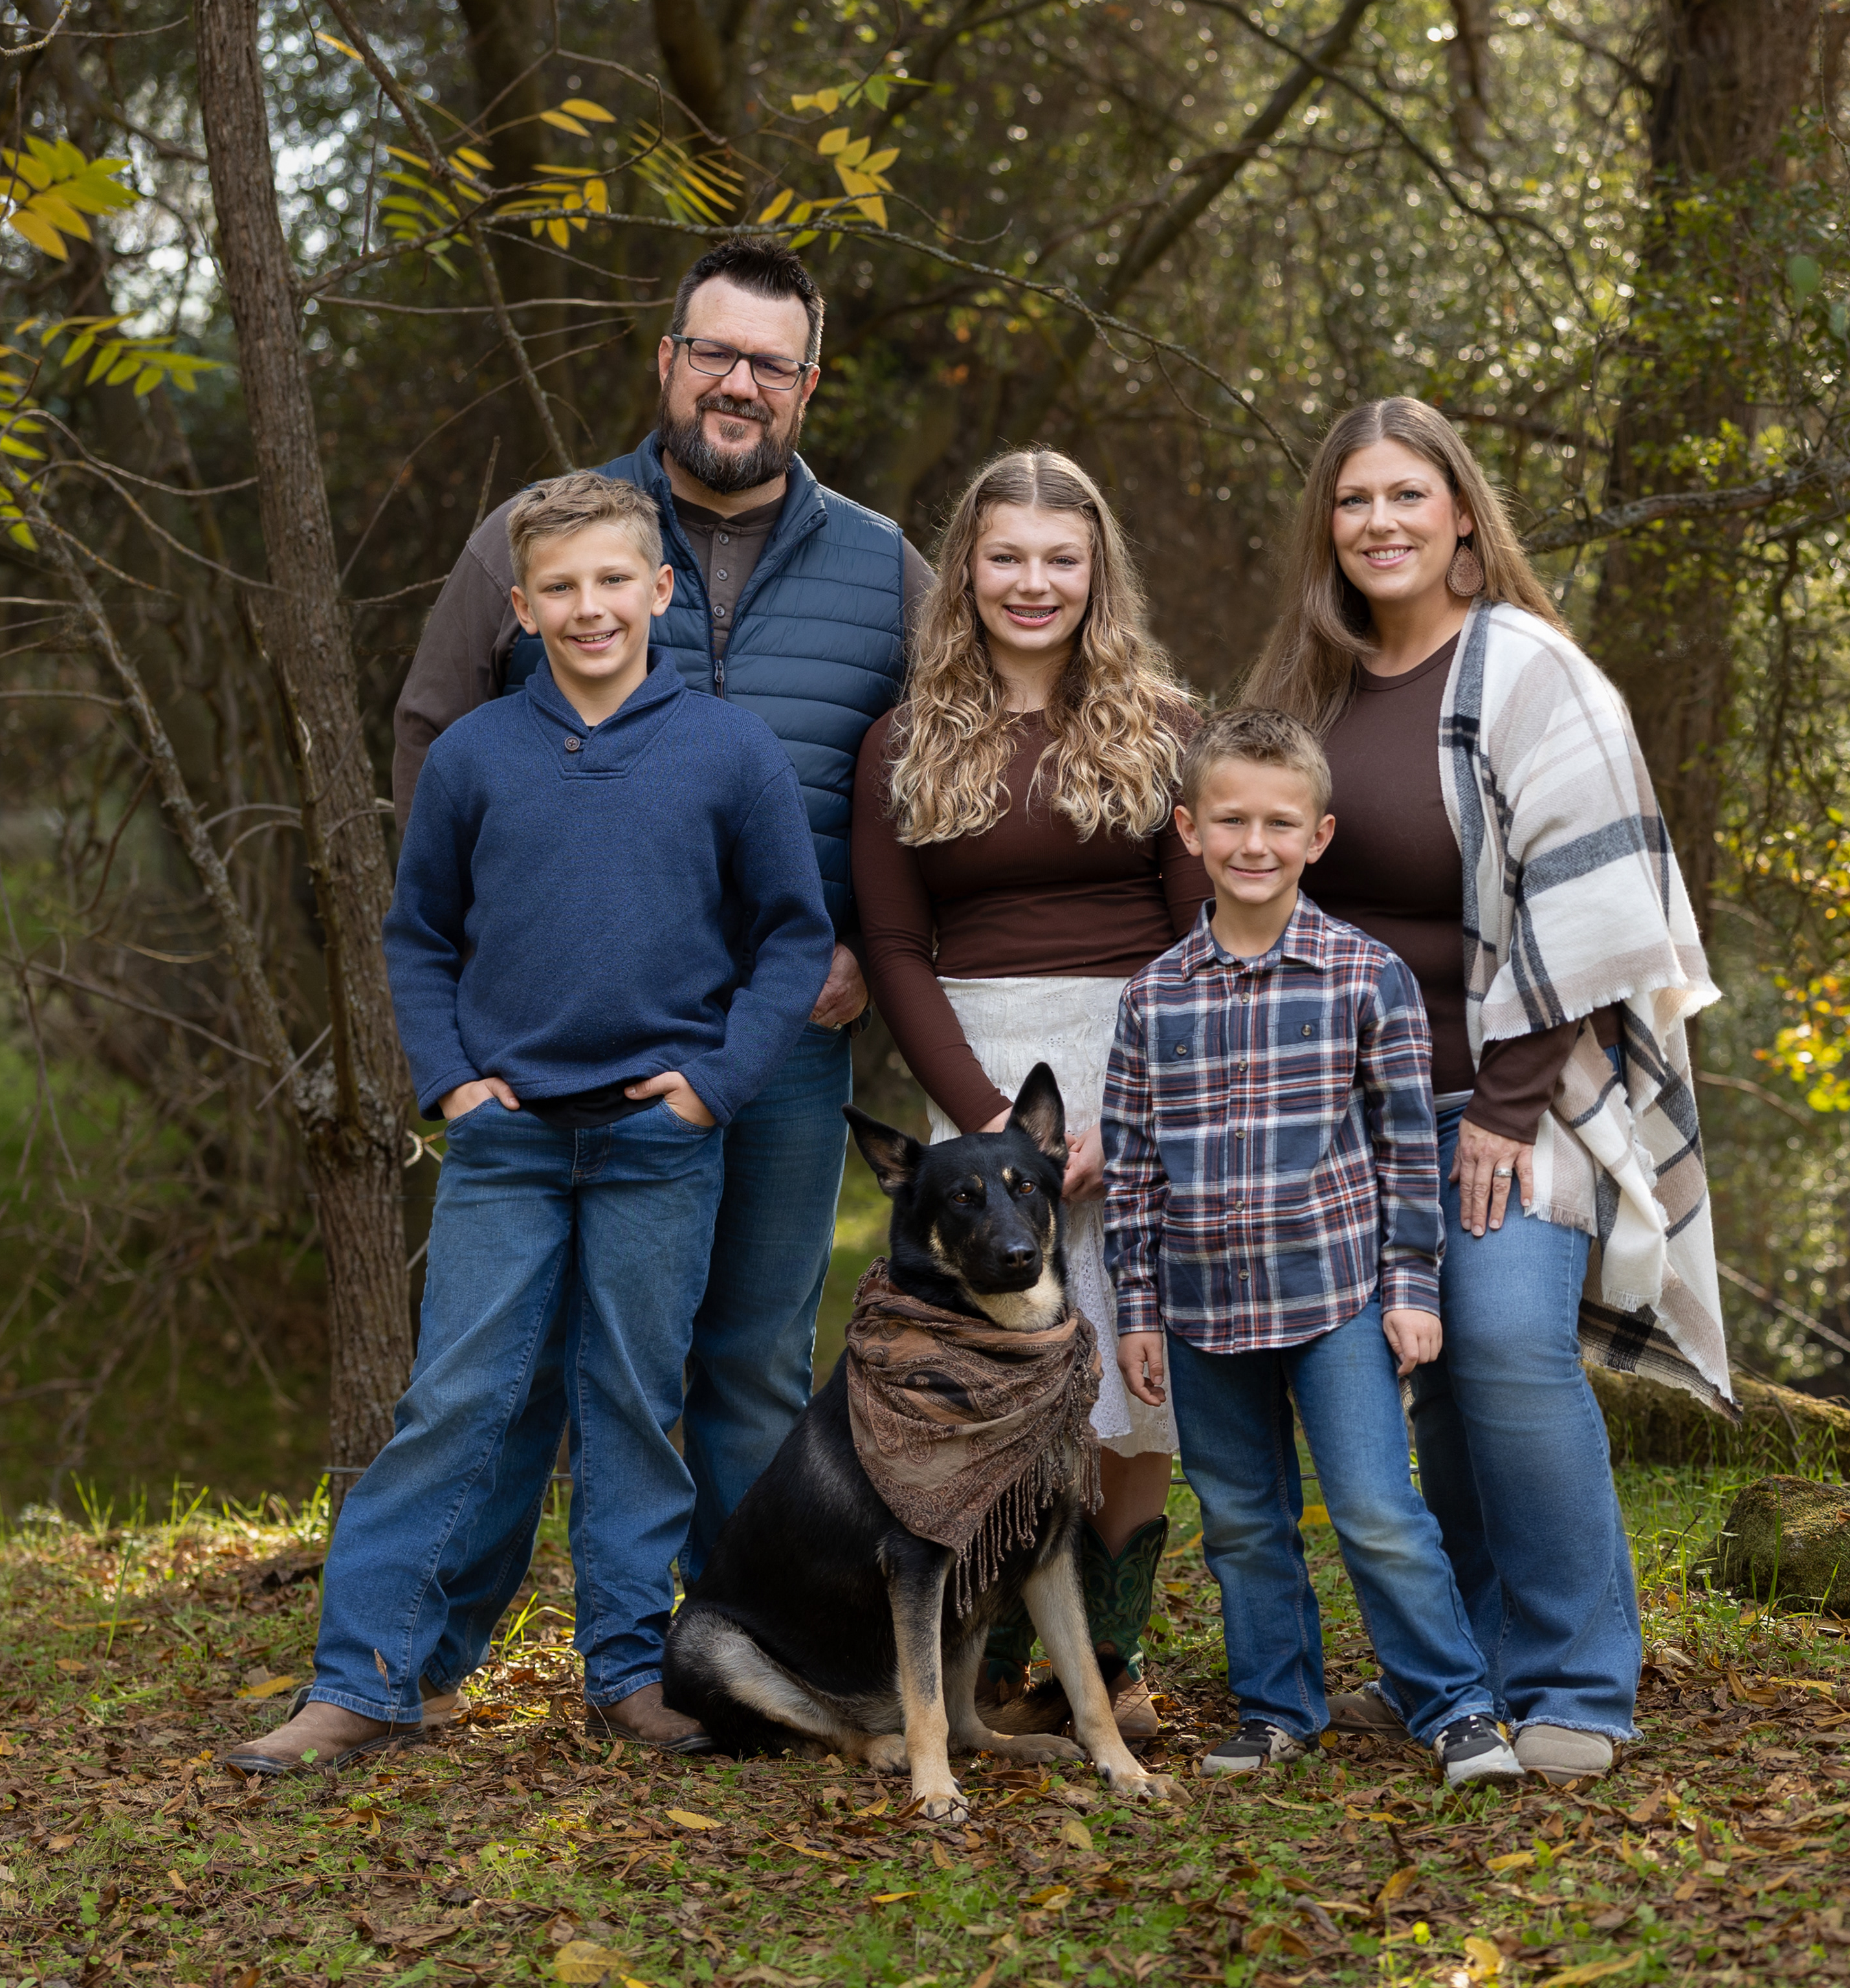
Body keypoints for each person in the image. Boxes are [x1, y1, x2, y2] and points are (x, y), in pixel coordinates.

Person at [228, 472, 834, 1773]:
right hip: (505, 1142)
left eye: (615, 580)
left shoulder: (728, 752)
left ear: (660, 591)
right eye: (560, 587)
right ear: (520, 606)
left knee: (632, 1403)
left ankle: (623, 1670)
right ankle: (367, 1678)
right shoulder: (474, 757)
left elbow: (792, 938)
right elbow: (420, 935)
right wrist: (449, 1078)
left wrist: (709, 1085)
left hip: (659, 1139)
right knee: (457, 1399)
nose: (591, 607)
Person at [388, 239, 931, 1601]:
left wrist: (867, 948)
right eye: (714, 353)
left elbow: (949, 780)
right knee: (520, 1363)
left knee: (750, 1353)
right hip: (573, 1048)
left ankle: (741, 1650)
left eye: (770, 362)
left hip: (794, 1037)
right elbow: (430, 738)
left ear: (808, 386)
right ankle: (432, 1640)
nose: (737, 383)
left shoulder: (884, 569)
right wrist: (480, 991)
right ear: (666, 361)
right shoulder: (545, 536)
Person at [1242, 397, 1731, 1784]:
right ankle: (1466, 1675)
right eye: (1353, 502)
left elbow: (1600, 909)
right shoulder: (1316, 680)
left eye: (1408, 496)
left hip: (1516, 1099)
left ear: (1464, 512)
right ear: (1326, 528)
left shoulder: (1530, 673)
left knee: (1509, 1345)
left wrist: (1505, 1110)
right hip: (1353, 1118)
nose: (1381, 524)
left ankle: (1581, 1679)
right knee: (1428, 1369)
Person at [1101, 707, 1525, 1786]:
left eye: (1280, 824)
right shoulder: (1153, 998)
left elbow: (1401, 1153)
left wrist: (1412, 1289)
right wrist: (1138, 1314)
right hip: (1200, 1316)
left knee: (1380, 1513)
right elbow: (1135, 1170)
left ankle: (1455, 1707)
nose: (1255, 845)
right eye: (1231, 821)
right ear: (1190, 829)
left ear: (1318, 837)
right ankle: (1276, 1708)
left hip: (1335, 1299)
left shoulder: (1362, 976)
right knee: (1244, 1521)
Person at [850, 450, 1204, 1738]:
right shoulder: (905, 741)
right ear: (967, 571)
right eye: (1007, 557)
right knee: (1001, 1368)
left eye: (1062, 558)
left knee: (1133, 1366)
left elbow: (1201, 937)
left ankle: (1109, 1660)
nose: (1034, 583)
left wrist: (1142, 1115)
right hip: (987, 1078)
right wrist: (989, 1123)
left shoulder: (1166, 730)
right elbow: (893, 947)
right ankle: (995, 1641)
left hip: (1139, 1061)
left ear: (1096, 570)